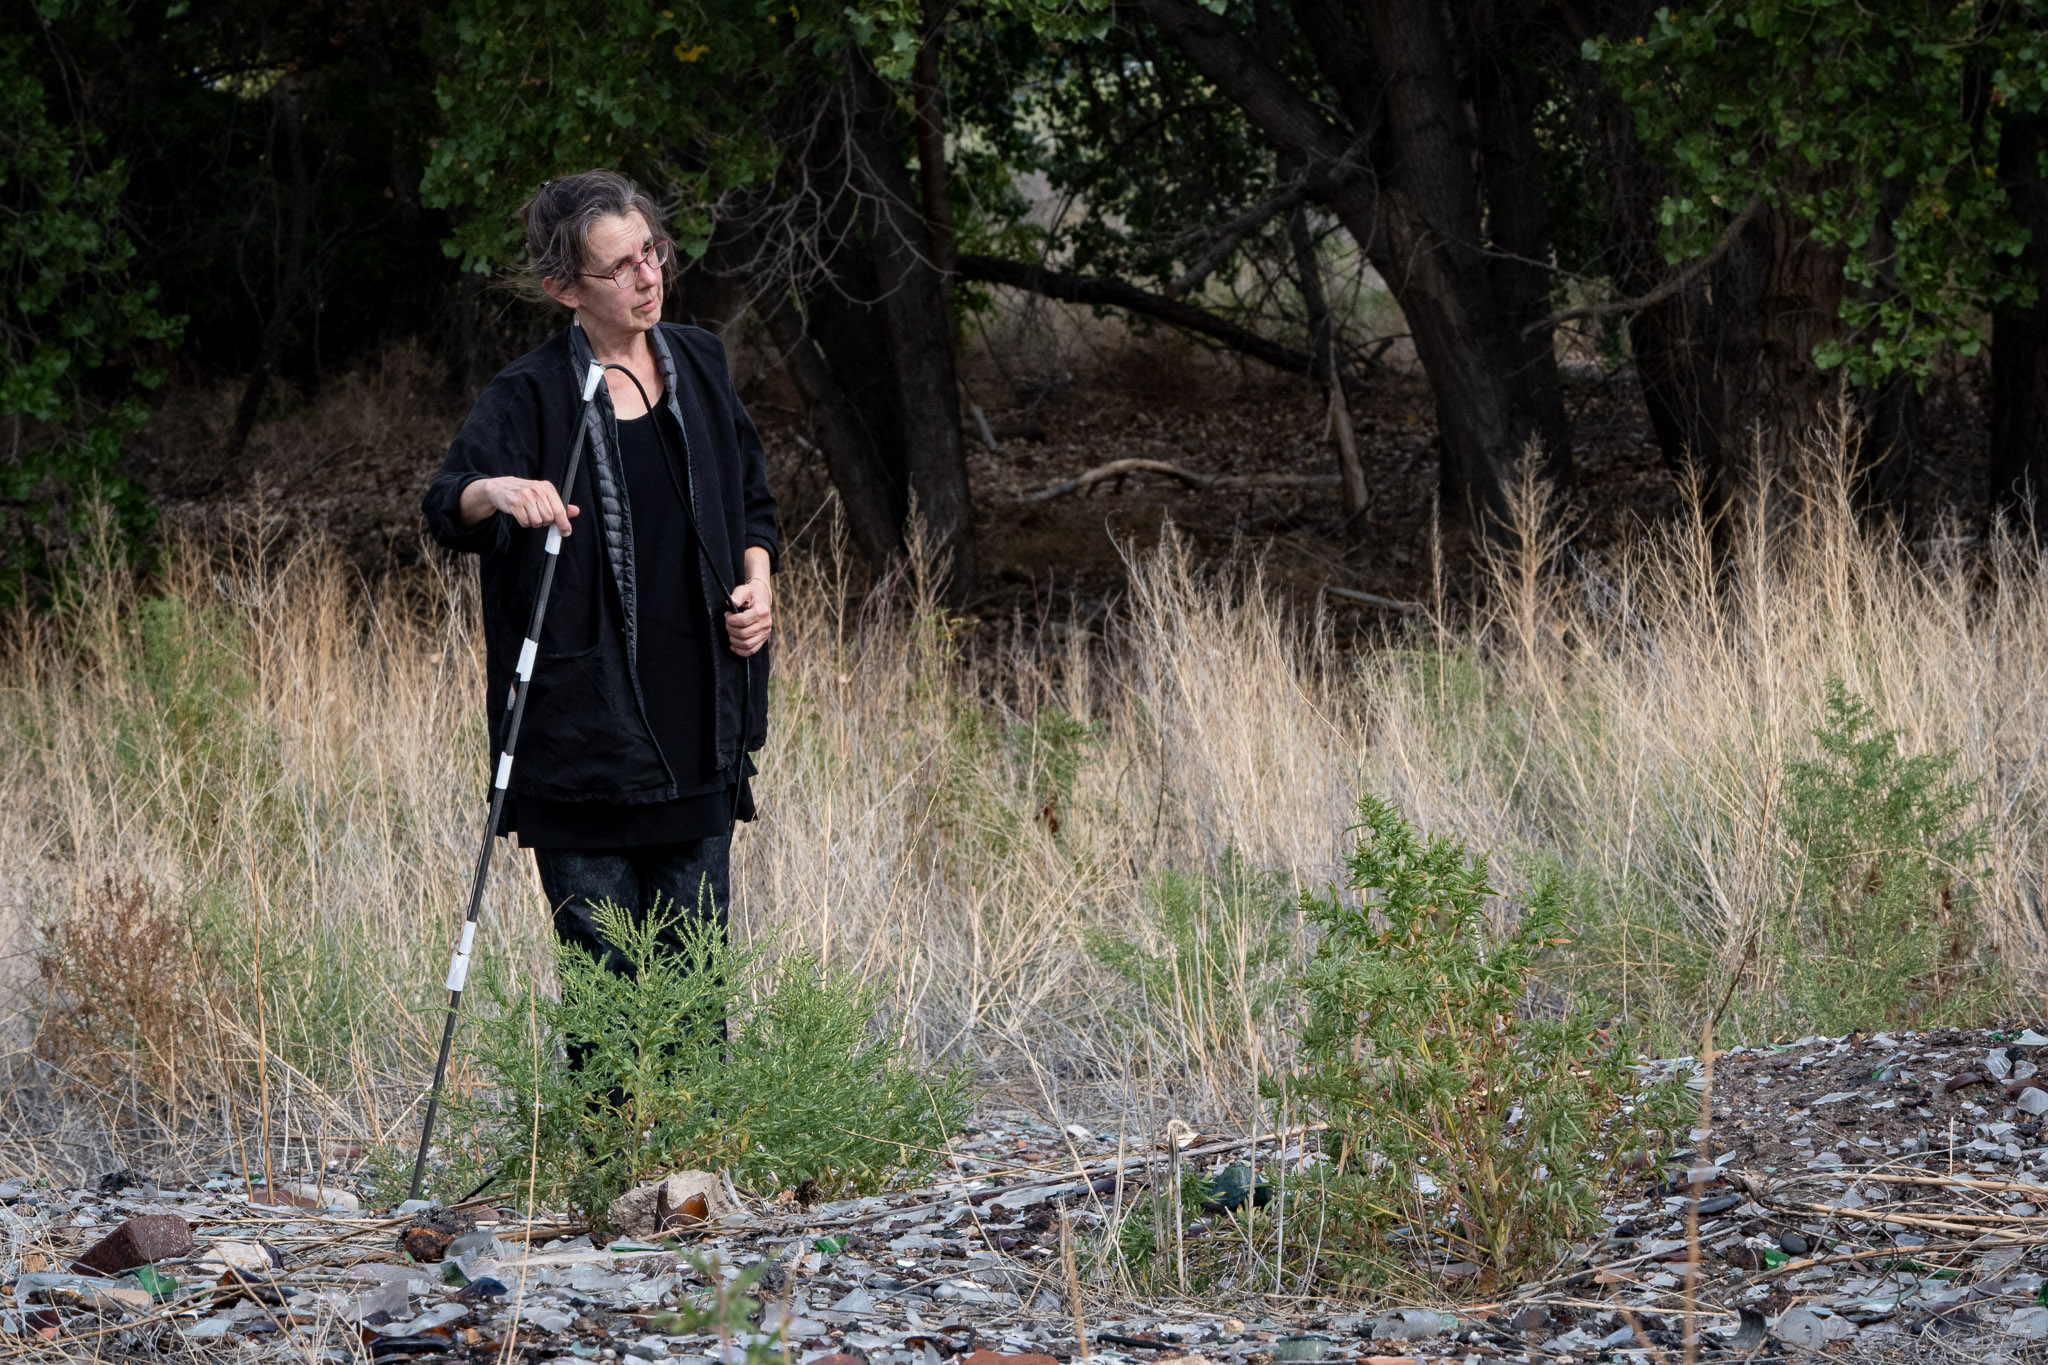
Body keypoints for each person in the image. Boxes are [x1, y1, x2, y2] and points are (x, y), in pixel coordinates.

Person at [422, 170, 777, 979]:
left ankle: (695, 1115)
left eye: (651, 252)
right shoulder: (529, 395)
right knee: (606, 1006)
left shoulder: (701, 361)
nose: (649, 276)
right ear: (562, 288)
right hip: (582, 746)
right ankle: (604, 1118)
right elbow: (446, 505)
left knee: (695, 991)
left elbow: (754, 503)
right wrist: (497, 491)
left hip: (700, 728)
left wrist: (760, 585)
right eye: (619, 266)